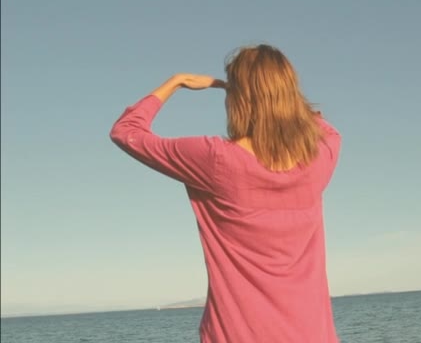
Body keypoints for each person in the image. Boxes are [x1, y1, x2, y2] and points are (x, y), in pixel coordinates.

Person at [110, 44, 341, 342]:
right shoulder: (320, 158)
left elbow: (126, 131)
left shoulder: (216, 160)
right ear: (288, 92)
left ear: (238, 98)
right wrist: (279, 96)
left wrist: (176, 82)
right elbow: (322, 126)